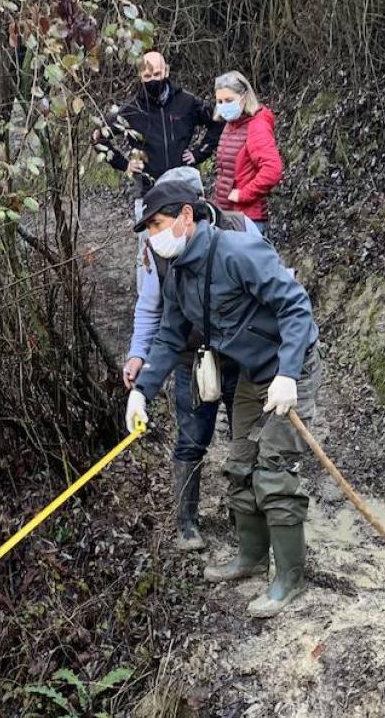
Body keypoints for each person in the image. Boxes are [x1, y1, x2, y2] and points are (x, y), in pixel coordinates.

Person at [123, 185, 321, 618]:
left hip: (291, 368)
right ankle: (251, 557)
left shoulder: (238, 251)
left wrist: (288, 374)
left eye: (157, 225)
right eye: (150, 229)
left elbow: (295, 306)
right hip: (252, 374)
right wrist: (142, 392)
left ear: (186, 217)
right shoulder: (177, 273)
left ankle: (290, 577)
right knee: (240, 464)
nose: (154, 236)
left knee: (273, 472)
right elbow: (171, 336)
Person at [124, 168, 261, 552]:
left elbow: (270, 287)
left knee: (245, 436)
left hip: (240, 355)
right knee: (192, 436)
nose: (154, 233)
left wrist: (277, 361)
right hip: (190, 355)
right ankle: (186, 523)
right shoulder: (159, 247)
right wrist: (140, 358)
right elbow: (155, 312)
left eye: (158, 222)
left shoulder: (238, 231)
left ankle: (243, 514)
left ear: (192, 208)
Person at [92, 51, 223, 198]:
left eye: (157, 74)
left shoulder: (186, 102)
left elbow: (217, 122)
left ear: (166, 71)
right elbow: (98, 136)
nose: (152, 80)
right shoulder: (131, 110)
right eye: (147, 76)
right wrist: (124, 164)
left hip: (182, 186)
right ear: (140, 75)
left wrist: (198, 153)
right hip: (148, 190)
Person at [211, 71, 283, 236]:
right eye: (219, 101)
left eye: (229, 100)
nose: (223, 105)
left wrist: (244, 194)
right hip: (228, 215)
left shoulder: (257, 126)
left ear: (244, 98)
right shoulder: (231, 124)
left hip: (248, 220)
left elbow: (273, 169)